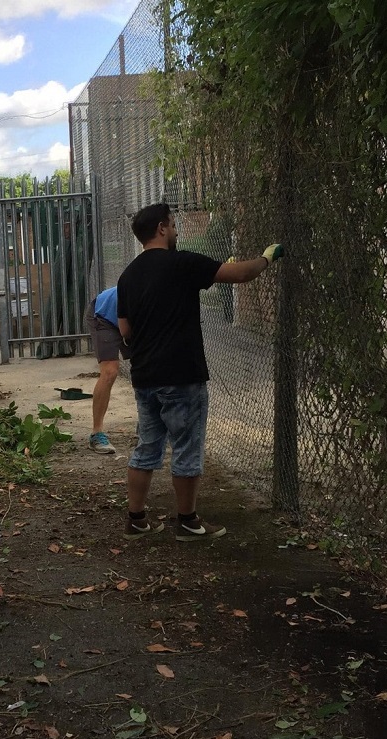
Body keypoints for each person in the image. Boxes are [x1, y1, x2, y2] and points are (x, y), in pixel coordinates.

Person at [116, 203, 283, 542]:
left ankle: (136, 519)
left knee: (147, 447)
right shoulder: (183, 263)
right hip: (182, 374)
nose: (177, 232)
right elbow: (240, 274)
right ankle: (188, 522)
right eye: (174, 225)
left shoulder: (127, 276)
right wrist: (267, 258)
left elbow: (125, 328)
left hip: (145, 376)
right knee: (187, 448)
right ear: (162, 228)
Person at [85, 286, 131, 454]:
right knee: (110, 370)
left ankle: (149, 424)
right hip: (104, 315)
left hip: (130, 317)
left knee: (147, 365)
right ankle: (96, 434)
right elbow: (126, 329)